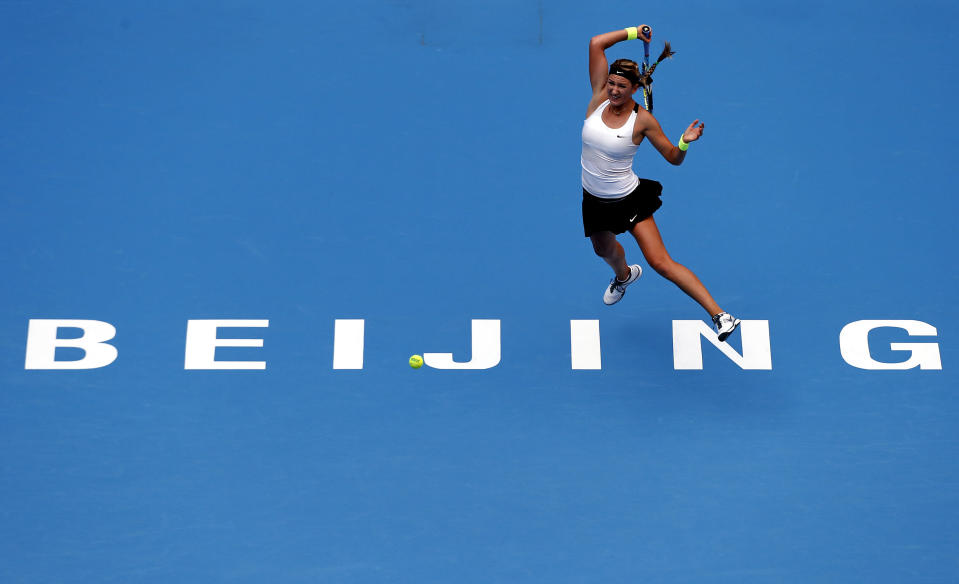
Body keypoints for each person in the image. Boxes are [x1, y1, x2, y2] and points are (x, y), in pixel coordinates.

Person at [582, 25, 741, 341]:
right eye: (611, 83)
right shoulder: (598, 95)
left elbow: (672, 157)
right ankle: (625, 276)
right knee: (604, 250)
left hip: (628, 200)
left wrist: (684, 141)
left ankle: (721, 316)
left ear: (634, 88)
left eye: (621, 86)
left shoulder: (643, 121)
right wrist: (632, 33)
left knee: (661, 263)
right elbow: (596, 43)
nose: (613, 90)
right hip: (593, 199)